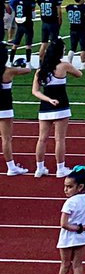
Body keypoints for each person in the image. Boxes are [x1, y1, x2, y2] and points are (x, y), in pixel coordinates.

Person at [33, 37, 82, 178]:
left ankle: (39, 168)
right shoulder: (64, 66)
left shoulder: (40, 70)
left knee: (42, 138)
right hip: (62, 106)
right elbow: (79, 74)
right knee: (59, 139)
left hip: (45, 107)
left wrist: (48, 99)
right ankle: (60, 168)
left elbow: (35, 91)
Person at [58, 165, 85, 274]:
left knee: (65, 264)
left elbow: (64, 224)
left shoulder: (70, 202)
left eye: (69, 187)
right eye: (65, 186)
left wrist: (79, 228)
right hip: (82, 237)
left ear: (80, 187)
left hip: (68, 237)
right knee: (78, 265)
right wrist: (82, 228)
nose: (65, 189)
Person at [0, 42, 32, 175]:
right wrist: (22, 62)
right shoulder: (9, 71)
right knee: (6, 139)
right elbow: (28, 70)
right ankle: (11, 167)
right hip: (5, 107)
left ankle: (12, 167)